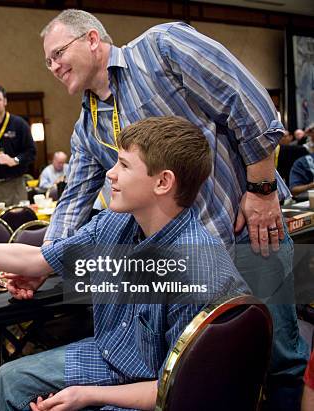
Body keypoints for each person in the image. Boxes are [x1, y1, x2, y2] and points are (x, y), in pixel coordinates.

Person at [39, 10, 307, 408]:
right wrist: (49, 258)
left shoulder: (161, 49)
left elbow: (246, 99)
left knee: (278, 356)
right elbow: (73, 202)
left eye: (58, 53)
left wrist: (262, 188)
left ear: (92, 39)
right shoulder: (88, 125)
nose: (54, 66)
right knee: (205, 372)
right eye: (47, 62)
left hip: (241, 232)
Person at [0, 116, 249, 410]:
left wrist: (88, 395)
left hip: (153, 389)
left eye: (123, 165)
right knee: (8, 380)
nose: (111, 173)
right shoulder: (118, 223)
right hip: (109, 356)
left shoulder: (196, 268)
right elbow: (37, 259)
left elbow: (177, 389)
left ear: (162, 182)